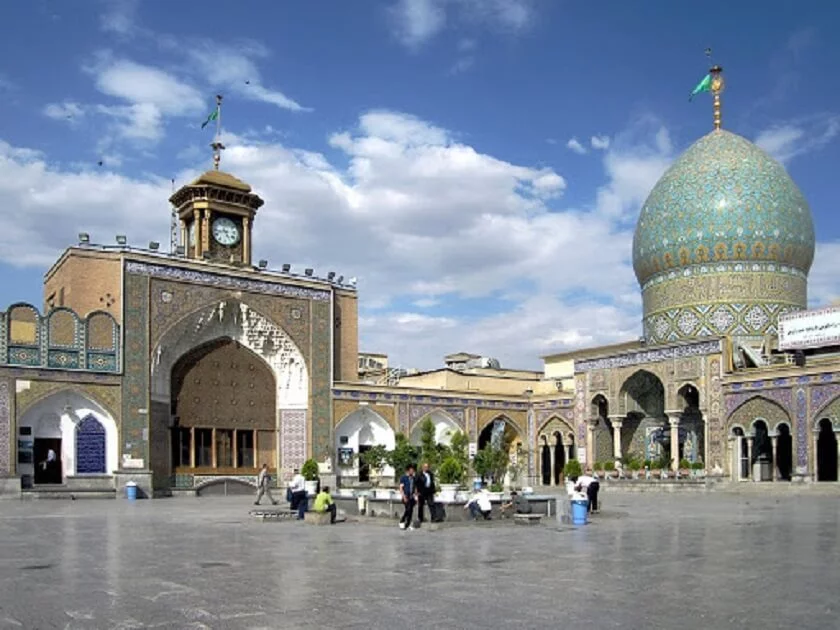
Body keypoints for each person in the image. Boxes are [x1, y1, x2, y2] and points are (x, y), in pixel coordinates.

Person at [415, 462, 436, 527]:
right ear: (422, 467)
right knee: (421, 505)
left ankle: (433, 518)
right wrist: (416, 491)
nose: (426, 468)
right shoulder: (419, 474)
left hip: (429, 491)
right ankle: (420, 518)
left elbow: (432, 482)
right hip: (422, 491)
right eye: (425, 467)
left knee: (431, 504)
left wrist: (434, 490)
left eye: (427, 467)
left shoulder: (430, 474)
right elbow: (416, 483)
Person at [398, 464, 417, 530]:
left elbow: (414, 488)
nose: (412, 472)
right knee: (408, 509)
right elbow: (401, 488)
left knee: (410, 511)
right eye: (411, 470)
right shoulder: (403, 478)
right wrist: (403, 496)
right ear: (408, 471)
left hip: (412, 497)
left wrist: (415, 496)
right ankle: (402, 520)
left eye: (413, 470)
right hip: (406, 496)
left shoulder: (413, 478)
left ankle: (407, 524)